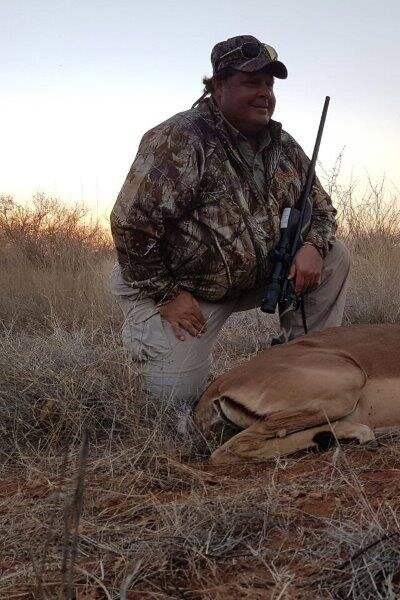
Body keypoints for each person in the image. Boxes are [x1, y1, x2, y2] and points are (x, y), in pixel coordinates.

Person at [109, 35, 349, 410]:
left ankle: (304, 363)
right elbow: (131, 224)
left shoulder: (283, 144)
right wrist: (167, 294)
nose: (264, 94)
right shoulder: (182, 137)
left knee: (335, 256)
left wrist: (312, 246)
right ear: (218, 86)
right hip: (182, 288)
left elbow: (323, 211)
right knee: (173, 404)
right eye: (252, 83)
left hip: (256, 277)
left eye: (269, 85)